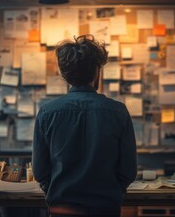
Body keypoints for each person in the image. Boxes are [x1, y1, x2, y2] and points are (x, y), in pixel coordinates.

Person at [33, 35, 137, 217]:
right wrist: (111, 193)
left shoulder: (47, 112)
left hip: (61, 208)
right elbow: (128, 170)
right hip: (105, 208)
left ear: (64, 73)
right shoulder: (118, 111)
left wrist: (59, 192)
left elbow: (40, 171)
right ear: (97, 71)